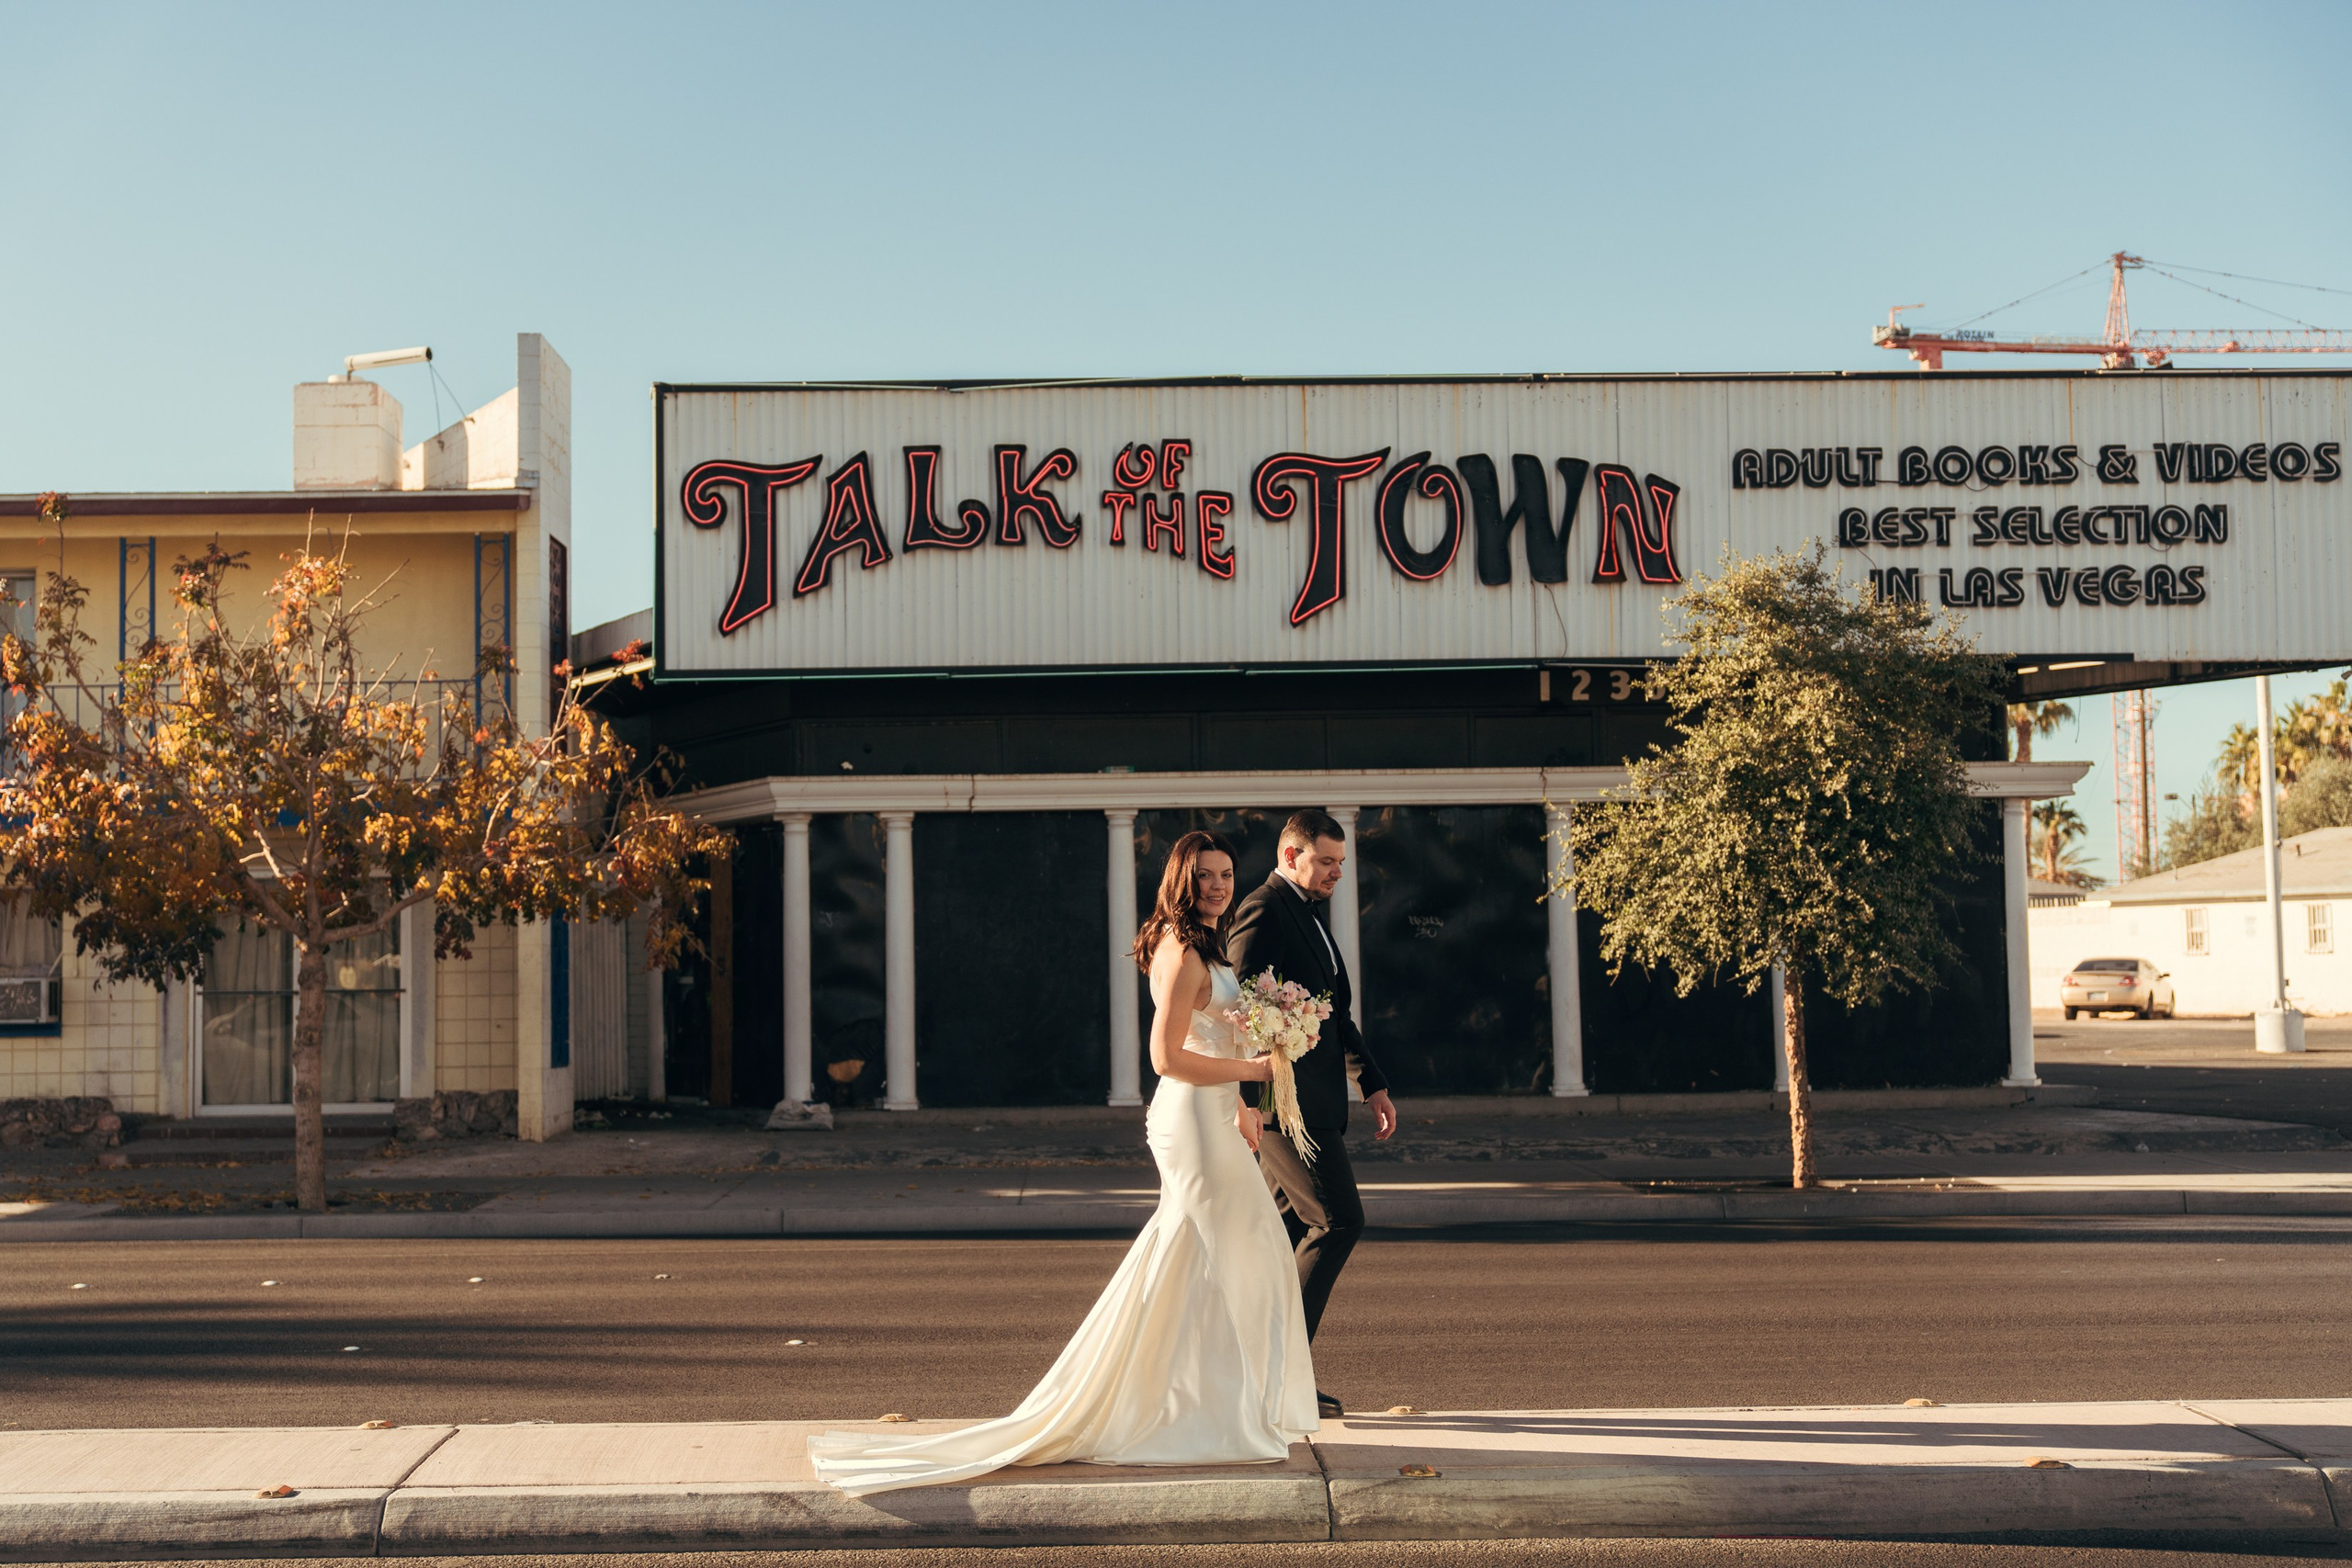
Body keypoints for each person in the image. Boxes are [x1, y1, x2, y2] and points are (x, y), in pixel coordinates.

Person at [807, 829, 1317, 1496]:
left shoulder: (1204, 943)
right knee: (1236, 1248)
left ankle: (1203, 1404)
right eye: (1205, 876)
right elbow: (1165, 1058)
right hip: (1192, 1119)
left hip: (1216, 1114)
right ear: (1181, 881)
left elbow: (1207, 1033)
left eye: (1225, 874)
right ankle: (1191, 1410)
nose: (1219, 886)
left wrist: (1246, 1100)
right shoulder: (1186, 950)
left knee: (1203, 1255)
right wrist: (1252, 1067)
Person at [1222, 808, 1397, 1419]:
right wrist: (1251, 1094)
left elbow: (1336, 1012)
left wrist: (1371, 1083)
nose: (1336, 873)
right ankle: (1282, 1378)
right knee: (1338, 1220)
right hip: (1281, 1104)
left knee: (1290, 1237)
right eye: (1326, 861)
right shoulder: (1263, 908)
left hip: (1318, 1103)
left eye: (1341, 863)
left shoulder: (1311, 915)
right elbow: (1242, 1000)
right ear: (1291, 854)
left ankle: (1263, 1381)